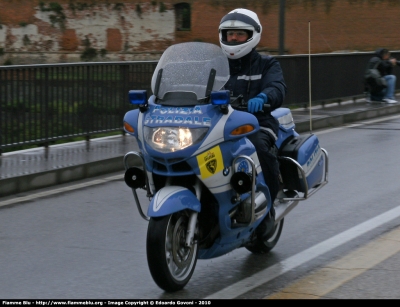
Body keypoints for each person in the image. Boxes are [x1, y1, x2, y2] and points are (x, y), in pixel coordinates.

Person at [219, 8, 287, 238]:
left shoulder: (267, 64)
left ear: (253, 36)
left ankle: (268, 211)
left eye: (240, 33)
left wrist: (264, 97)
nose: (234, 38)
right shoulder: (215, 66)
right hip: (220, 125)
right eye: (230, 34)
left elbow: (277, 87)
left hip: (257, 123)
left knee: (258, 147)